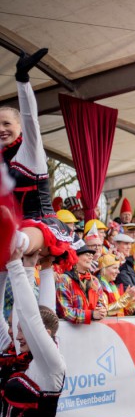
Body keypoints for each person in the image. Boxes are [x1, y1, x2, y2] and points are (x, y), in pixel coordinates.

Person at [1, 248, 91, 417]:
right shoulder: (24, 359)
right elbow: (26, 314)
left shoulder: (50, 364)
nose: (17, 334)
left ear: (45, 336)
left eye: (23, 332)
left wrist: (16, 267)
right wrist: (37, 266)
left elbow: (31, 317)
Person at [3, 49, 74, 268]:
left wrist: (22, 80)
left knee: (16, 243)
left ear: (19, 127)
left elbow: (30, 118)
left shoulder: (29, 150)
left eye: (6, 124)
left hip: (39, 227)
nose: (1, 130)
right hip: (13, 228)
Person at [55, 244, 109, 325]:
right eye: (87, 255)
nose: (91, 257)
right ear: (75, 257)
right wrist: (91, 314)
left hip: (93, 331)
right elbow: (66, 312)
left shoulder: (95, 281)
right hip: (70, 333)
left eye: (91, 255)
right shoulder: (64, 280)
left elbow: (101, 304)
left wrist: (102, 311)